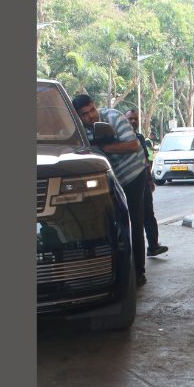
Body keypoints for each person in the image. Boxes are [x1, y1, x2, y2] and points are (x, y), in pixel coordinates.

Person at [72, 95, 149, 287]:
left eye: (92, 110)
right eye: (84, 114)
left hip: (134, 175)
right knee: (114, 226)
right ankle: (115, 272)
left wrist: (104, 148)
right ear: (78, 116)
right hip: (112, 181)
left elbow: (133, 145)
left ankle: (139, 272)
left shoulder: (114, 117)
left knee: (135, 223)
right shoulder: (80, 131)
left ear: (95, 106)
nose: (90, 116)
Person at [125, 109, 168, 257]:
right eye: (130, 119)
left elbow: (145, 160)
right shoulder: (118, 139)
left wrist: (150, 180)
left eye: (135, 119)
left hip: (143, 182)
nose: (133, 121)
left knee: (148, 213)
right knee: (131, 220)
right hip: (127, 184)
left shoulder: (140, 137)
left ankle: (153, 246)